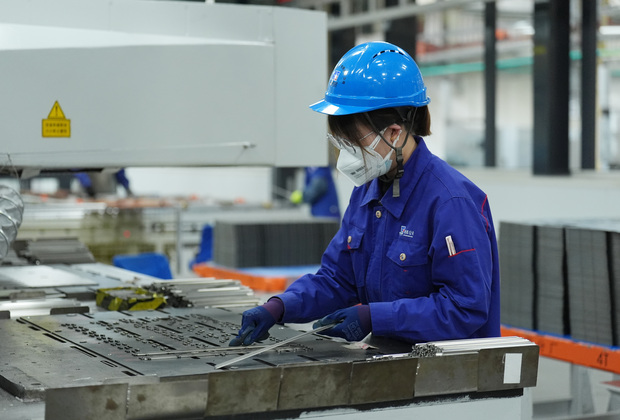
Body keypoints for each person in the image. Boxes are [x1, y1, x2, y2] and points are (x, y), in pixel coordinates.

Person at [230, 41, 500, 346]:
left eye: (353, 141)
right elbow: (336, 279)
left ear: (395, 132)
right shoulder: (366, 194)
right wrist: (279, 307)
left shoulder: (451, 202)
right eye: (340, 141)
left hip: (453, 379)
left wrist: (375, 317)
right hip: (390, 365)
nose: (345, 153)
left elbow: (464, 307)